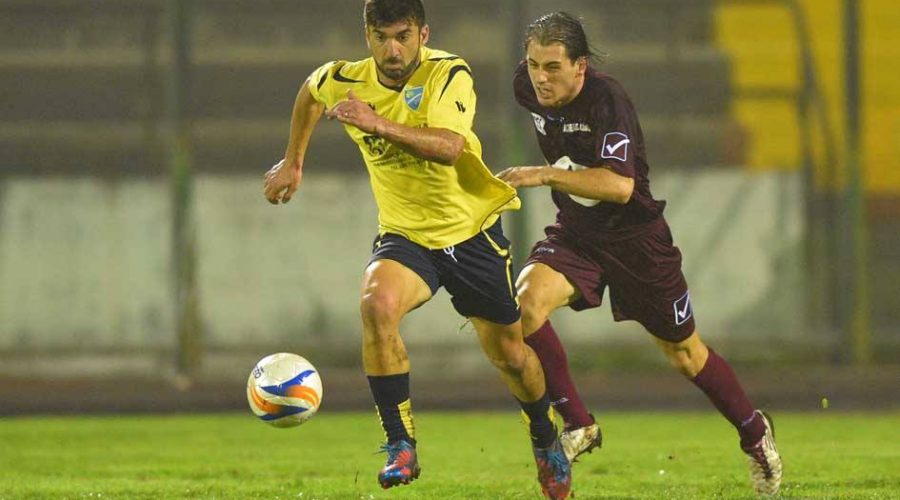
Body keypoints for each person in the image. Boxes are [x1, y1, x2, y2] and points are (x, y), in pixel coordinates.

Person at [263, 1, 571, 497]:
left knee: (511, 356)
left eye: (403, 36)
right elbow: (310, 92)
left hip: (470, 234)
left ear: (422, 33)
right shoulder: (344, 78)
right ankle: (400, 443)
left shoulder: (448, 73)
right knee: (376, 304)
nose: (392, 49)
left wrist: (375, 123)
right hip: (406, 237)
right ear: (367, 35)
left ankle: (544, 435)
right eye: (382, 37)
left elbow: (449, 146)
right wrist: (292, 161)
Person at [497, 11, 783, 497]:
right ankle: (578, 423)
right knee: (524, 305)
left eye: (552, 67)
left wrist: (543, 175)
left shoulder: (608, 99)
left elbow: (620, 185)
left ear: (580, 66)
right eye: (533, 64)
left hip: (637, 241)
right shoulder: (526, 88)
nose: (539, 78)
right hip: (578, 233)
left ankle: (755, 433)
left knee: (684, 353)